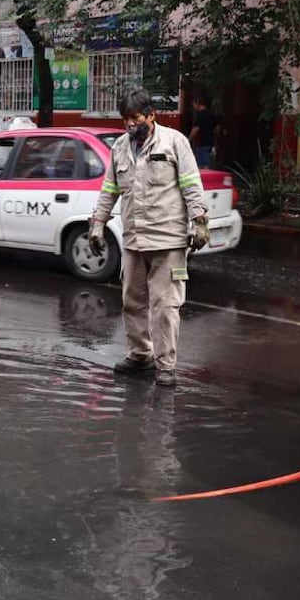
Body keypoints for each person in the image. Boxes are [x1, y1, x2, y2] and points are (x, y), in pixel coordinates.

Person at [88, 89, 209, 387]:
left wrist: (200, 222)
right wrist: (97, 224)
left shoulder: (174, 142)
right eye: (125, 119)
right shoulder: (119, 147)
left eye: (135, 118)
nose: (130, 124)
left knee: (165, 307)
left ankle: (166, 366)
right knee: (133, 302)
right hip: (134, 239)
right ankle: (140, 355)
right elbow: (110, 190)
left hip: (167, 240)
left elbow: (191, 184)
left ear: (151, 115)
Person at [188, 96, 218, 168]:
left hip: (201, 142)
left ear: (197, 103)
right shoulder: (212, 114)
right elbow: (217, 128)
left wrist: (189, 139)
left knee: (201, 164)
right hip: (210, 141)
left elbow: (196, 129)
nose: (194, 107)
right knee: (208, 162)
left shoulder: (199, 115)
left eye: (194, 104)